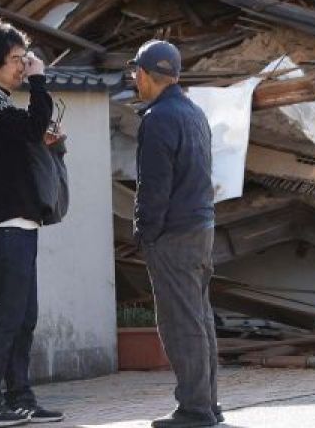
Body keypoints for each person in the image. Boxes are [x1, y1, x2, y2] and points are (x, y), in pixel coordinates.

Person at [0, 22, 65, 427]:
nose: (23, 67)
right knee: (6, 314)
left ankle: (20, 398)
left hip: (18, 224)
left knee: (24, 315)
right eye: (17, 61)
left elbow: (23, 139)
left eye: (25, 60)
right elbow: (30, 127)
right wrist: (40, 84)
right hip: (1, 226)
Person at [129, 39, 221, 428]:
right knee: (199, 318)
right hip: (201, 226)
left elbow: (154, 187)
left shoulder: (158, 119)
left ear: (148, 75)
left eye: (136, 72)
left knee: (181, 323)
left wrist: (144, 233)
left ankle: (195, 410)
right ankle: (208, 405)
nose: (134, 79)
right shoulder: (194, 113)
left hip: (173, 233)